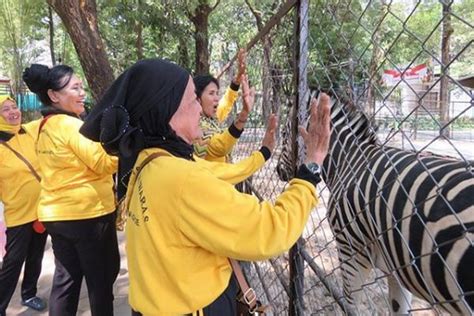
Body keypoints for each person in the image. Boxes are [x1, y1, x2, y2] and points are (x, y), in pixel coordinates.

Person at [80, 58, 331, 315]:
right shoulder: (180, 178)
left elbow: (219, 171)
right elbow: (270, 229)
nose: (199, 108)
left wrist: (263, 151)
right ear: (167, 111)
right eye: (192, 99)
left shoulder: (148, 161)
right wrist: (310, 169)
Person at [22, 64, 120, 316]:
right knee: (100, 282)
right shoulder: (71, 126)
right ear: (54, 95)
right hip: (88, 216)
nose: (82, 92)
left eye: (81, 87)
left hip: (57, 216)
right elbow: (103, 163)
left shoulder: (44, 125)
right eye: (75, 88)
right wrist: (123, 149)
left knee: (66, 281)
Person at [0, 95, 47, 315]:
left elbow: (52, 117)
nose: (13, 112)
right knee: (13, 261)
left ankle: (29, 293)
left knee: (36, 255)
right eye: (5, 110)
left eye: (14, 107)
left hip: (42, 209)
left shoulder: (29, 131)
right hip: (18, 214)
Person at [193, 48, 248, 162]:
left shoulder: (211, 118)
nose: (216, 98)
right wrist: (243, 116)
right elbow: (221, 146)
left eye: (217, 93)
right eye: (211, 93)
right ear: (198, 99)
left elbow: (226, 102)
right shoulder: (195, 126)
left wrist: (238, 79)